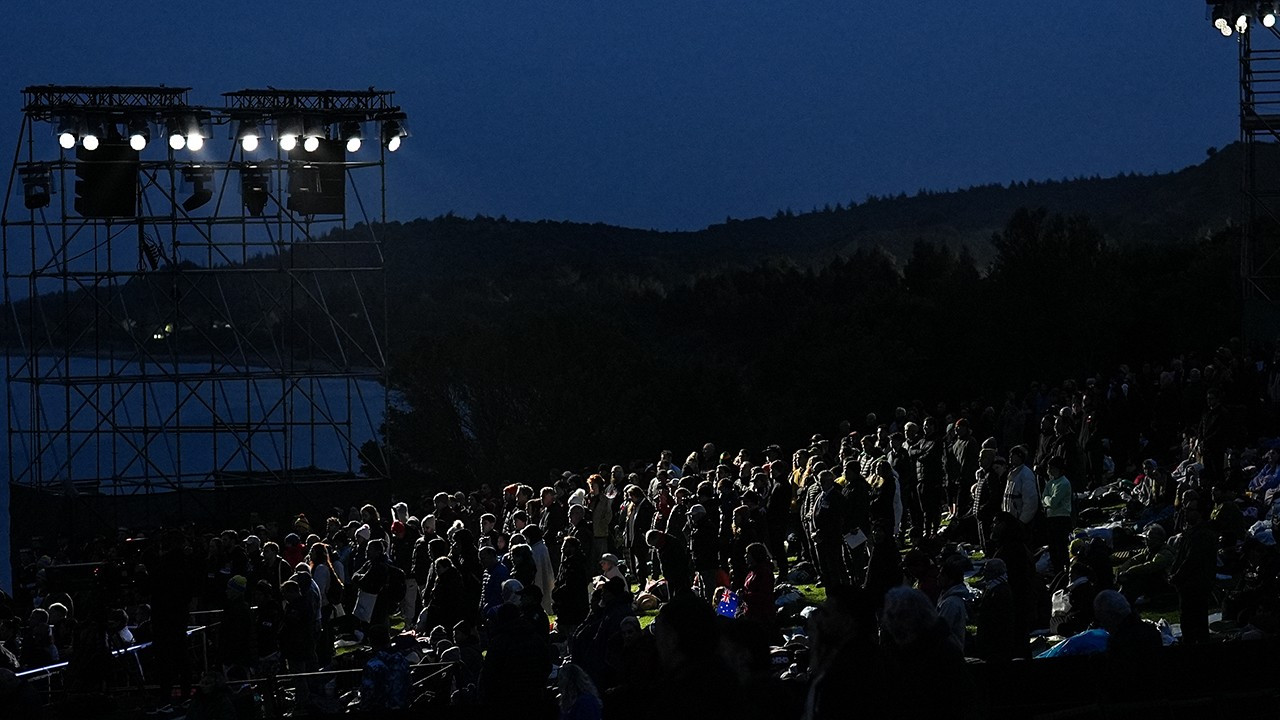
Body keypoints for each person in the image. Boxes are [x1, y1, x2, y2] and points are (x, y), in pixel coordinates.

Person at [1168, 499, 1218, 644]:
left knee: (1194, 623)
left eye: (1190, 510)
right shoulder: (1192, 532)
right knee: (1191, 621)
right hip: (1189, 584)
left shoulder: (1203, 534)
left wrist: (1176, 576)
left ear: (1200, 513)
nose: (1186, 513)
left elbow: (1192, 560)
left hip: (1196, 585)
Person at [358, 625, 409, 711]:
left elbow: (367, 694)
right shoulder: (402, 660)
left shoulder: (373, 665)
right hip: (402, 705)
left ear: (371, 642)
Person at [1042, 456, 1073, 573]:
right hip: (1051, 519)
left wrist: (1047, 500)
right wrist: (1047, 500)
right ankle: (1057, 571)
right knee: (1053, 548)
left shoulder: (1063, 483)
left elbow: (1053, 502)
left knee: (1061, 548)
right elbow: (1043, 498)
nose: (1049, 470)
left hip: (1061, 519)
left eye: (1051, 468)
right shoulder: (1051, 482)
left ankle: (1064, 570)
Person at [1003, 445, 1039, 529]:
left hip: (1019, 521)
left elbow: (1030, 500)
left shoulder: (1026, 474)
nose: (1010, 457)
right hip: (1010, 519)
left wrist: (1023, 520)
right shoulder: (1011, 474)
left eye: (1013, 455)